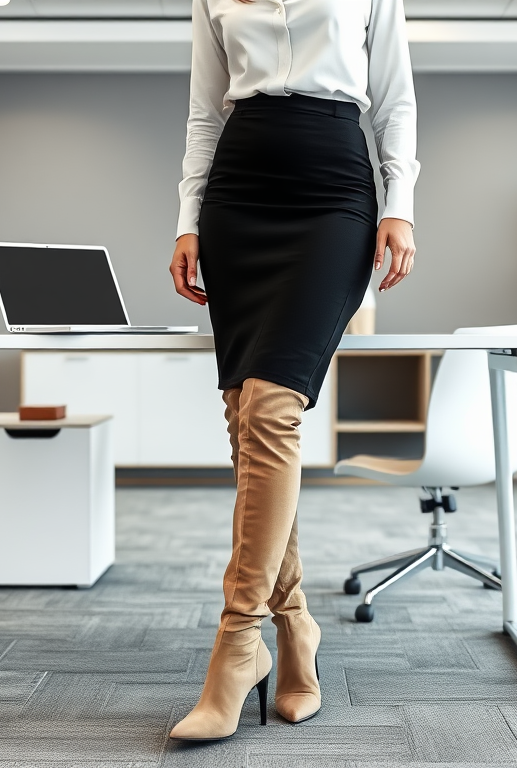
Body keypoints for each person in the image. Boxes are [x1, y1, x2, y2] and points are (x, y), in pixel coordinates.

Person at [168, 0, 419, 741]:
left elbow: (396, 98)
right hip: (238, 194)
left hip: (333, 191)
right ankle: (297, 627)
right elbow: (203, 114)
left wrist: (398, 204)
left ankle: (237, 645)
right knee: (247, 424)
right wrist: (188, 219)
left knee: (273, 408)